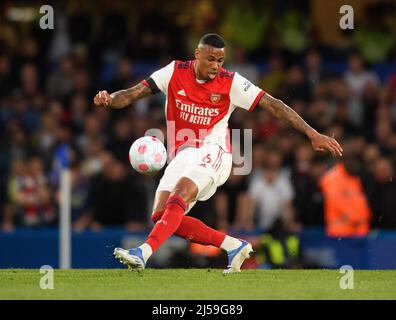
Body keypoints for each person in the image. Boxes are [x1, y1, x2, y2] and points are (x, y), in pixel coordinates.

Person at [93, 33, 343, 273]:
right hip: (183, 153)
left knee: (179, 195)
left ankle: (143, 252)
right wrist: (109, 98)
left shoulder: (232, 82)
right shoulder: (174, 72)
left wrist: (312, 134)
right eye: (210, 59)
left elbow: (273, 105)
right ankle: (234, 246)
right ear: (197, 54)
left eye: (220, 60)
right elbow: (133, 93)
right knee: (161, 215)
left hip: (216, 150)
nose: (215, 65)